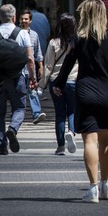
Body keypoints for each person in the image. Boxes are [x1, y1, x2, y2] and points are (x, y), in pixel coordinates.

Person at [53, 0, 108, 203]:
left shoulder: (77, 40)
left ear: (85, 16)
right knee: (106, 140)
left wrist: (58, 84)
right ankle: (105, 183)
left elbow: (67, 65)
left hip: (85, 92)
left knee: (90, 140)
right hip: (107, 93)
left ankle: (92, 189)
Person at [0, 4, 37, 155]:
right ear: (15, 17)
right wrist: (33, 77)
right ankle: (13, 128)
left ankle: (2, 145)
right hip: (18, 78)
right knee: (19, 108)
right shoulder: (23, 34)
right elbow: (30, 58)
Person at [40, 13, 79, 155]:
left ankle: (61, 146)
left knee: (60, 114)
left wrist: (42, 84)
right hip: (73, 80)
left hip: (56, 82)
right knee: (73, 111)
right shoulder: (77, 42)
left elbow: (48, 66)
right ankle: (72, 132)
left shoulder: (53, 43)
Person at [18, 9, 47, 125]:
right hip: (18, 69)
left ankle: (36, 113)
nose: (24, 21)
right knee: (18, 92)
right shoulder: (16, 33)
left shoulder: (34, 35)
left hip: (30, 68)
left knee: (33, 90)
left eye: (26, 19)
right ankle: (17, 113)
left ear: (30, 21)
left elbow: (38, 52)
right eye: (22, 19)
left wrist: (41, 66)